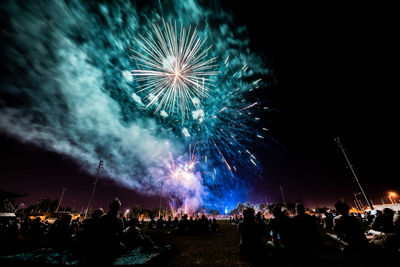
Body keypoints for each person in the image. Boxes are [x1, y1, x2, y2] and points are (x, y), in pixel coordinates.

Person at [97, 198, 126, 264]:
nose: (116, 209)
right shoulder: (104, 218)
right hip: (106, 243)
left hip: (109, 243)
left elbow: (121, 234)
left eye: (117, 207)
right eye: (116, 207)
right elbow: (121, 235)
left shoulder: (103, 217)